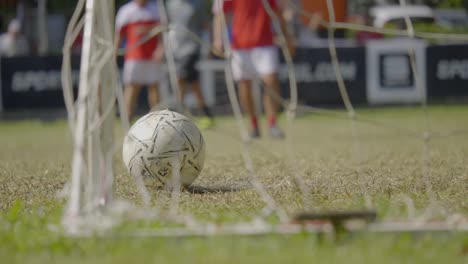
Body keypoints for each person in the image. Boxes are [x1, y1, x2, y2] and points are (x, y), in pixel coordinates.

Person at [212, 0, 295, 138]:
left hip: (265, 43)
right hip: (240, 45)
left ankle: (272, 124)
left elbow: (278, 12)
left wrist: (287, 36)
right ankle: (254, 124)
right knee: (244, 87)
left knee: (271, 81)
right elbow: (221, 13)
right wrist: (217, 38)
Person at [166, 0, 214, 128]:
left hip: (192, 48)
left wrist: (209, 45)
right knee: (193, 83)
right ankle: (206, 114)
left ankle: (178, 113)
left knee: (180, 77)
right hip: (176, 49)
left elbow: (205, 24)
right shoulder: (171, 5)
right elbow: (168, 25)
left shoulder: (198, 4)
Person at [115, 0, 164, 121]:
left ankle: (157, 121)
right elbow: (119, 34)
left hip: (152, 57)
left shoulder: (156, 10)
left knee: (154, 88)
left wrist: (160, 49)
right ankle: (127, 120)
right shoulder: (126, 11)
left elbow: (162, 32)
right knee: (132, 87)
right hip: (133, 56)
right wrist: (114, 52)